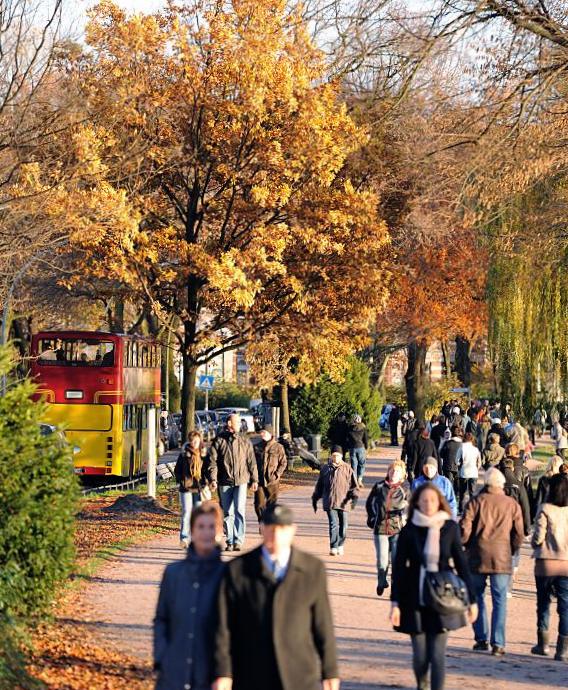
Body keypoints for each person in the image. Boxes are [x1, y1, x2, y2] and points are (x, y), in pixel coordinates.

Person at [213, 503, 340, 690]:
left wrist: (330, 671)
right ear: (261, 529)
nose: (276, 535)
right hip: (252, 672)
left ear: (292, 531)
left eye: (282, 529)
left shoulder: (312, 569)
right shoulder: (237, 569)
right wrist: (222, 672)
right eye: (270, 528)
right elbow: (223, 627)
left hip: (299, 674)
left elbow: (323, 624)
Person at [390, 483, 477, 690]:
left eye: (432, 500)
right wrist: (395, 603)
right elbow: (399, 568)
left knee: (437, 655)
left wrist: (472, 600)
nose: (428, 504)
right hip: (415, 596)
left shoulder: (450, 528)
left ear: (440, 502)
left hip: (443, 596)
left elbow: (462, 564)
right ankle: (422, 683)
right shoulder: (409, 530)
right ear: (417, 503)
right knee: (420, 655)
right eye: (424, 500)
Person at [154, 502, 225, 690]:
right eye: (201, 527)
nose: (206, 533)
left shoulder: (228, 576)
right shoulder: (173, 573)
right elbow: (162, 618)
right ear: (192, 531)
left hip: (210, 674)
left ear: (219, 532)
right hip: (173, 672)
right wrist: (162, 656)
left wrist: (226, 673)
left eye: (212, 527)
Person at [461, 468, 524, 656]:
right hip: (502, 557)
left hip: (478, 555)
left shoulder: (476, 502)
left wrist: (465, 545)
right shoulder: (511, 504)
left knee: (477, 596)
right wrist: (511, 550)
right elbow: (519, 533)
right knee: (500, 599)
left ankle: (481, 638)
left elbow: (465, 528)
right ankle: (498, 643)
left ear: (486, 483)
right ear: (501, 484)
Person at [207, 413, 258, 552]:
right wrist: (213, 479)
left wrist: (255, 479)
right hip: (224, 481)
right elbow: (212, 462)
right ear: (229, 423)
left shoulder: (245, 440)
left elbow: (251, 461)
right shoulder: (219, 441)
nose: (239, 424)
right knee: (227, 512)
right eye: (237, 422)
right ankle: (230, 540)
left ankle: (238, 540)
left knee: (239, 510)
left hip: (241, 480)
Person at [530, 474, 568, 661]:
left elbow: (537, 537)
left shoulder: (545, 509)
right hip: (566, 564)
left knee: (544, 603)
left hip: (545, 562)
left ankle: (543, 644)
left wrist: (537, 546)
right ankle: (562, 649)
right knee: (565, 606)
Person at [366, 460, 410, 596]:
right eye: (392, 470)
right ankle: (381, 581)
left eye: (397, 471)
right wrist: (372, 517)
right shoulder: (379, 486)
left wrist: (405, 518)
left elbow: (410, 506)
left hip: (397, 529)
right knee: (382, 560)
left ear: (402, 474)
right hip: (380, 528)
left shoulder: (405, 488)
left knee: (397, 561)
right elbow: (370, 503)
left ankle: (395, 589)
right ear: (388, 472)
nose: (394, 473)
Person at [312, 445, 359, 556]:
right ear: (331, 456)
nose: (336, 458)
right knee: (333, 524)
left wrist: (354, 498)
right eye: (334, 455)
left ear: (341, 456)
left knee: (343, 525)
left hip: (344, 502)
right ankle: (333, 546)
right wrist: (316, 497)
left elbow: (354, 486)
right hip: (330, 501)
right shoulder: (325, 469)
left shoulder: (347, 468)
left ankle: (340, 544)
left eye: (338, 456)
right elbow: (320, 485)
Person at [174, 431, 206, 548]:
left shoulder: (203, 454)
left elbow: (207, 469)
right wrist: (181, 480)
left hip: (198, 488)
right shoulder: (184, 454)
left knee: (197, 514)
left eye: (196, 441)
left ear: (199, 441)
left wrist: (206, 482)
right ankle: (184, 538)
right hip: (186, 487)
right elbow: (177, 469)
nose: (194, 443)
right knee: (187, 512)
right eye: (192, 441)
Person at [254, 424, 287, 522]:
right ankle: (262, 522)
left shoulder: (278, 447)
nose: (261, 434)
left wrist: (277, 474)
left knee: (272, 505)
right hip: (259, 480)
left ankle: (270, 525)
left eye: (263, 432)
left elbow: (283, 462)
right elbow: (252, 463)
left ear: (269, 433)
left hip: (272, 481)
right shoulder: (257, 447)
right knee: (258, 504)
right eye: (261, 432)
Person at [458, 432, 482, 513]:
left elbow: (456, 460)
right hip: (473, 472)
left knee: (462, 492)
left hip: (464, 471)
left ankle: (461, 509)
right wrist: (477, 468)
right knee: (472, 492)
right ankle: (473, 509)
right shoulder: (475, 449)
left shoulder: (461, 447)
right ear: (472, 439)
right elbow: (479, 462)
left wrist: (459, 465)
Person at [440, 426, 462, 500]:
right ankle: (457, 497)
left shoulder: (447, 443)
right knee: (457, 483)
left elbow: (441, 454)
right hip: (458, 466)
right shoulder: (462, 444)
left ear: (451, 433)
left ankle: (448, 498)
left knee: (448, 483)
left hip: (447, 465)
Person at [346, 414, 368, 488]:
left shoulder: (349, 428)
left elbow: (347, 439)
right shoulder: (363, 428)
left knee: (353, 465)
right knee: (362, 464)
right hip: (360, 447)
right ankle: (359, 479)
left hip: (352, 448)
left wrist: (348, 447)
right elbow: (365, 438)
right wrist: (367, 447)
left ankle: (354, 480)